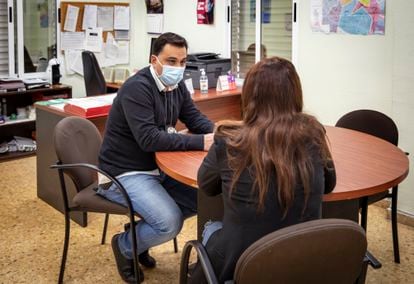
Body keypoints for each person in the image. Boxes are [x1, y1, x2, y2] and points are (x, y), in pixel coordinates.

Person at [190, 57, 336, 283]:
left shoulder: (229, 139)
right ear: (295, 94)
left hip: (244, 263)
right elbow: (329, 185)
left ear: (249, 95)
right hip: (302, 257)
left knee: (211, 226)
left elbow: (206, 186)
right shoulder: (313, 133)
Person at [98, 32, 214, 283]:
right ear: (154, 60)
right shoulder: (136, 89)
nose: (178, 68)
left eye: (183, 62)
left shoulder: (176, 86)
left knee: (205, 198)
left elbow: (195, 119)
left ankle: (140, 233)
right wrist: (201, 141)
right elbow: (148, 139)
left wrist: (220, 134)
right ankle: (125, 245)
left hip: (157, 167)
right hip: (123, 172)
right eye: (171, 61)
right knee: (169, 223)